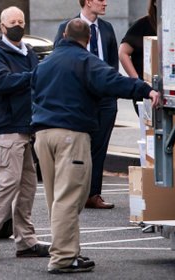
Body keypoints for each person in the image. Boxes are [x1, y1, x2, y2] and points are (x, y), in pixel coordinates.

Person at [32, 18, 160, 274]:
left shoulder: (45, 64)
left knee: (56, 199)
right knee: (70, 198)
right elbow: (113, 82)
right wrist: (146, 90)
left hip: (43, 136)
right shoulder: (86, 61)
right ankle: (63, 258)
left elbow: (33, 93)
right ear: (88, 39)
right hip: (71, 135)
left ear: (64, 34)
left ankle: (65, 251)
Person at [0, 6, 49, 258]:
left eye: (21, 21)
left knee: (27, 186)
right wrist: (31, 76)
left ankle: (26, 241)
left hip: (27, 127)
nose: (18, 25)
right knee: (7, 182)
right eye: (12, 22)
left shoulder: (28, 53)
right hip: (7, 127)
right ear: (2, 26)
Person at [54, 0, 118, 209]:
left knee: (99, 147)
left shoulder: (107, 29)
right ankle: (74, 193)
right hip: (80, 98)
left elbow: (112, 64)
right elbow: (59, 60)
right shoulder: (66, 28)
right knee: (78, 147)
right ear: (88, 2)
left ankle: (93, 193)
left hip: (105, 99)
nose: (105, 3)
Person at [119, 0, 157, 115]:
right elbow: (123, 52)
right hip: (146, 89)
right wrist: (137, 80)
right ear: (155, 2)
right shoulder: (142, 25)